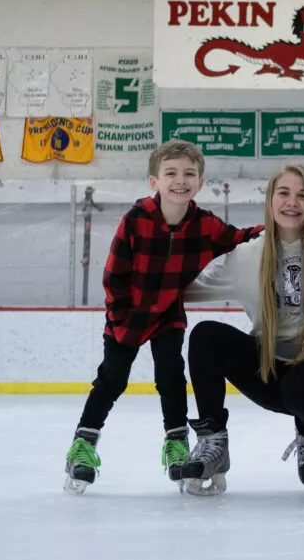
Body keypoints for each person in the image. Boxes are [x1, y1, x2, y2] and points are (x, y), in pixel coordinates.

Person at [63, 140, 261, 495]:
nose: (180, 181)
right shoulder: (136, 220)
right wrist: (122, 318)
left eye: (189, 174)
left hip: (168, 314)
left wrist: (279, 228)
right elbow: (113, 276)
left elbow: (239, 238)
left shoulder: (205, 225)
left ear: (200, 182)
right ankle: (83, 446)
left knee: (171, 377)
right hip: (129, 316)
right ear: (154, 181)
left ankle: (176, 444)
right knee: (112, 379)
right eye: (171, 173)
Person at [182, 163, 304, 495]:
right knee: (205, 336)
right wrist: (136, 283)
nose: (293, 202)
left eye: (303, 195)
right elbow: (186, 290)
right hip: (268, 372)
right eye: (284, 193)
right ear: (271, 199)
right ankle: (213, 441)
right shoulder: (245, 256)